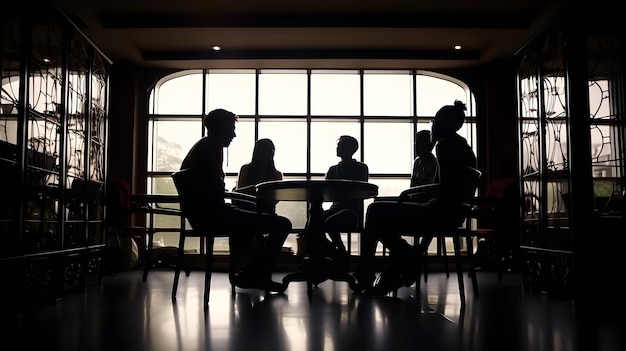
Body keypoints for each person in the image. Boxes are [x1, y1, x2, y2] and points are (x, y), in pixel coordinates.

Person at [353, 100, 477, 296]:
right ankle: (404, 261)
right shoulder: (461, 146)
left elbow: (444, 188)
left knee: (375, 211)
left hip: (439, 212)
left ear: (442, 124)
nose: (432, 126)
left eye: (434, 122)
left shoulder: (445, 145)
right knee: (381, 215)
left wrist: (412, 196)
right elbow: (450, 187)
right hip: (450, 212)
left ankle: (378, 268)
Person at [180, 108, 292, 293]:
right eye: (231, 128)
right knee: (282, 224)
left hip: (203, 214)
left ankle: (249, 274)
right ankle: (256, 276)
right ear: (221, 127)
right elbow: (216, 192)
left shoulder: (204, 145)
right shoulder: (213, 147)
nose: (234, 134)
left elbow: (212, 190)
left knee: (252, 225)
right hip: (213, 215)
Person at [322, 135, 369, 270]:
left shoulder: (360, 168)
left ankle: (338, 251)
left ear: (350, 149)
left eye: (340, 145)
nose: (337, 148)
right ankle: (339, 251)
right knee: (314, 222)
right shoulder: (336, 169)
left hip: (352, 212)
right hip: (341, 209)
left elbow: (327, 192)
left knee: (326, 221)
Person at [234, 138, 283, 213]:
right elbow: (274, 199)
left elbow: (240, 192)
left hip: (252, 211)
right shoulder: (276, 175)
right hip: (250, 211)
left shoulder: (246, 169)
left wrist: (254, 190)